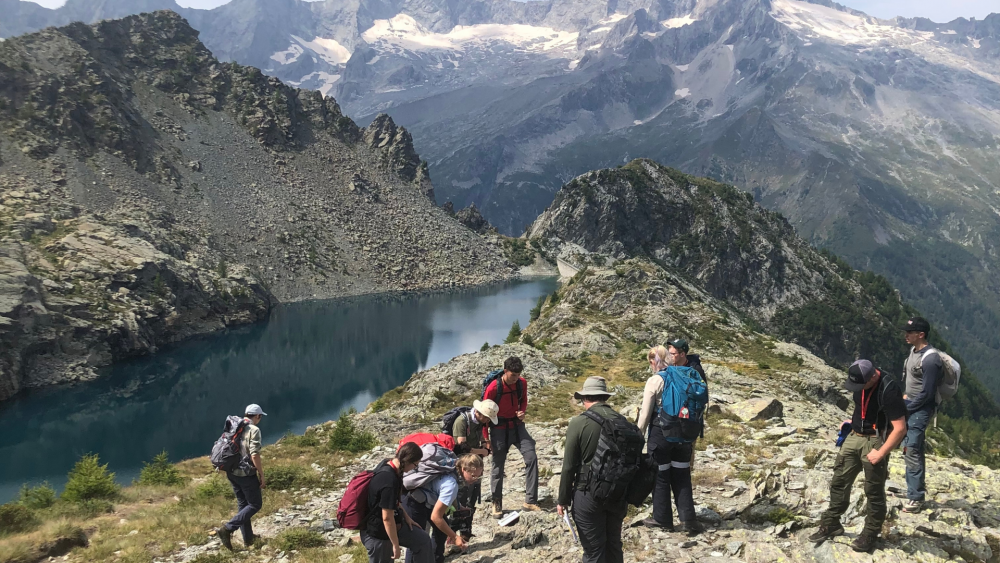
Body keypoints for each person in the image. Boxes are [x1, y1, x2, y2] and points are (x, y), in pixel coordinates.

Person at [810, 360, 907, 553]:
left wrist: (881, 452)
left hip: (875, 440)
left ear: (872, 377)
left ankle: (871, 533)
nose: (857, 388)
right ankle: (831, 523)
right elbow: (862, 405)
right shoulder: (862, 381)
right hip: (854, 435)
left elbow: (900, 428)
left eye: (860, 385)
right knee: (839, 480)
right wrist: (853, 421)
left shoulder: (888, 389)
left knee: (873, 489)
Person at [557, 377, 629, 563]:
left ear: (584, 398)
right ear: (605, 397)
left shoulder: (578, 423)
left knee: (594, 551)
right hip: (617, 493)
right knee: (614, 545)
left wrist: (563, 499)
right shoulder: (621, 421)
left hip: (588, 493)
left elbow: (569, 466)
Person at [636, 347, 703, 535]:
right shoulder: (686, 375)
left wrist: (638, 436)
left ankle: (662, 519)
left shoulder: (655, 380)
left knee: (660, 475)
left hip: (662, 435)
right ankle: (689, 520)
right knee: (682, 476)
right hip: (684, 435)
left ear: (653, 361)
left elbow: (645, 413)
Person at [483, 356, 540, 517]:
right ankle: (496, 503)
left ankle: (530, 501)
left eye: (518, 375)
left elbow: (524, 400)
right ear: (505, 371)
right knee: (498, 465)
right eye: (513, 375)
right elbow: (484, 414)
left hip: (517, 426)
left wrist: (522, 411)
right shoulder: (493, 388)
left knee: (531, 457)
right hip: (499, 429)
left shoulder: (522, 383)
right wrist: (486, 439)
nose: (516, 378)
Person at [402, 453, 485, 563]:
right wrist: (455, 537)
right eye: (473, 476)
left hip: (424, 497)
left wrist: (458, 507)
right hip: (412, 500)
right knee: (417, 540)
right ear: (464, 469)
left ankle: (435, 560)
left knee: (441, 530)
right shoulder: (451, 485)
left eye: (478, 477)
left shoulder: (453, 469)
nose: (475, 479)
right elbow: (436, 517)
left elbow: (444, 491)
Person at [361, 442, 434, 563]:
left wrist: (407, 517)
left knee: (422, 540)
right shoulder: (389, 480)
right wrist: (395, 545)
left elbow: (393, 501)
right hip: (378, 533)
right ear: (408, 460)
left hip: (392, 525)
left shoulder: (390, 466)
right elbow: (387, 518)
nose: (414, 469)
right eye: (415, 465)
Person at [900, 316, 940, 513]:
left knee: (911, 448)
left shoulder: (931, 359)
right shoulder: (914, 351)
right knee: (912, 447)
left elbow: (927, 393)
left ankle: (916, 497)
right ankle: (914, 489)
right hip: (910, 403)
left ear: (921, 334)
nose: (906, 335)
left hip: (921, 408)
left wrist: (908, 408)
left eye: (910, 332)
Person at [218, 404, 267, 550]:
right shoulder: (254, 430)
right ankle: (227, 529)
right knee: (255, 504)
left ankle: (248, 538)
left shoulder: (235, 425)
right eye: (260, 416)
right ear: (257, 416)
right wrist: (261, 474)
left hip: (231, 472)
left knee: (243, 504)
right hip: (245, 474)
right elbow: (254, 454)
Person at [451, 399, 498, 537]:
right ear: (479, 413)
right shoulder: (461, 421)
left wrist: (484, 444)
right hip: (462, 466)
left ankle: (466, 532)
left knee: (472, 498)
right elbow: (462, 447)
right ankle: (452, 534)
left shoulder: (479, 422)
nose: (488, 421)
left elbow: (480, 437)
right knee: (460, 499)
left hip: (474, 464)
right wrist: (482, 451)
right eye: (487, 418)